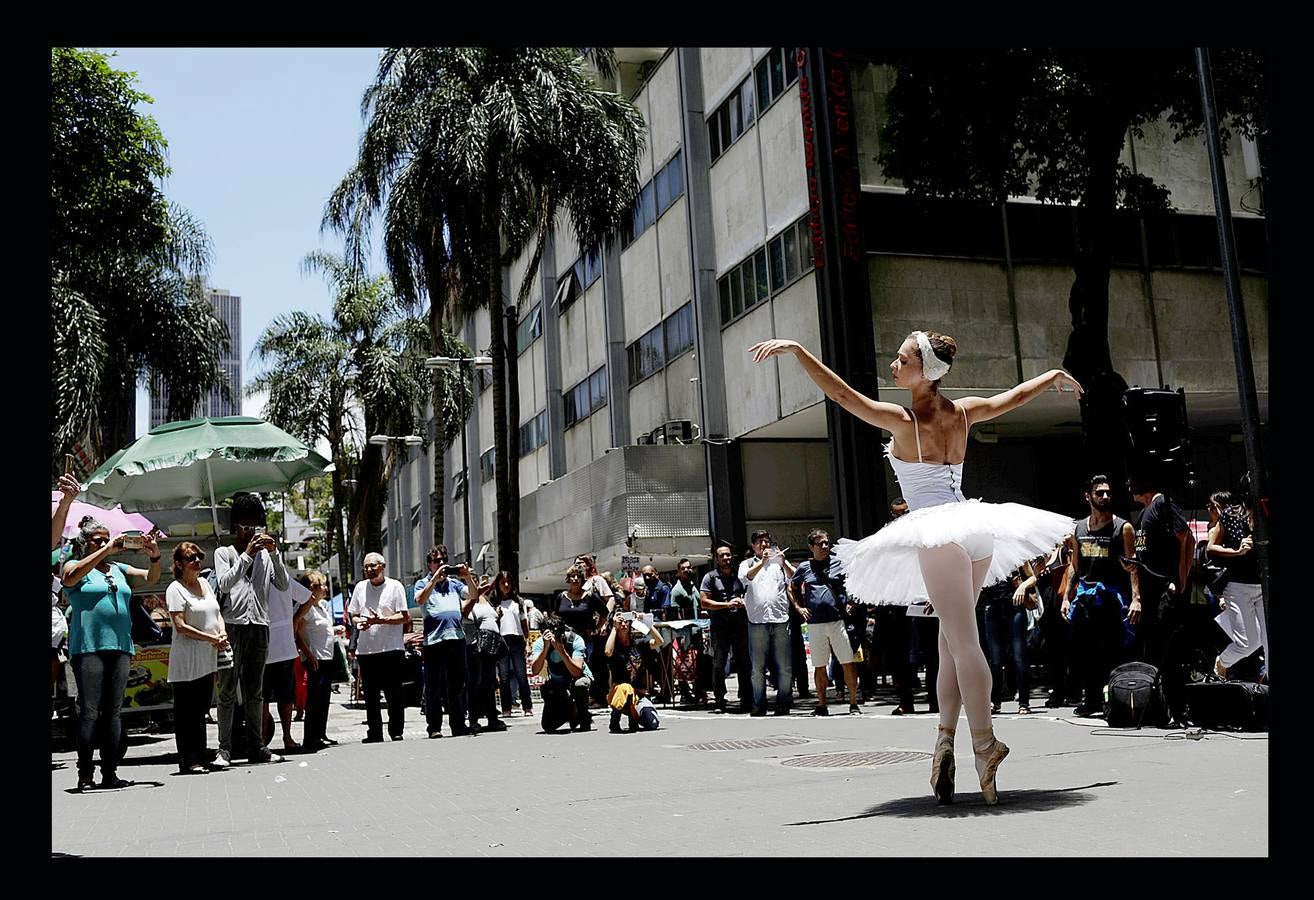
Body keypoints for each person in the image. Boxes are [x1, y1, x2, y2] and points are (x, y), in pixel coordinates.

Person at [751, 330, 1079, 805]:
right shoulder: (963, 410)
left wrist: (799, 352)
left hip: (937, 532)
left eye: (902, 360)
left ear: (925, 372)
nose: (894, 365)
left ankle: (984, 743)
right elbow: (1011, 398)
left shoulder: (903, 419)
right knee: (951, 643)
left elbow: (842, 396)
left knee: (963, 643)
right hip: (975, 528)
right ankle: (945, 741)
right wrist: (1050, 376)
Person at [61, 516, 162, 790]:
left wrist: (154, 556)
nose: (105, 543)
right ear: (85, 543)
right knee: (89, 711)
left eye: (107, 539)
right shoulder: (75, 566)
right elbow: (69, 579)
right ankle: (85, 773)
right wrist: (106, 550)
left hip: (120, 647)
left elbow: (151, 578)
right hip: (89, 648)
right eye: (98, 540)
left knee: (114, 712)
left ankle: (110, 772)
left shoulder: (118, 569)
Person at [212, 492, 289, 767]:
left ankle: (257, 746)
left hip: (259, 624)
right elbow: (224, 583)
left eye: (254, 527)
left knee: (256, 691)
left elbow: (283, 584)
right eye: (245, 527)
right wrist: (246, 556)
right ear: (236, 527)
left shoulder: (267, 556)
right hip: (232, 626)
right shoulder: (224, 553)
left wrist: (275, 553)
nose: (250, 533)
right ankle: (224, 749)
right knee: (227, 690)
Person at [1063, 476, 1139, 717]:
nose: (1105, 497)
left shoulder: (1123, 527)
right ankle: (1092, 701)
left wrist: (1136, 599)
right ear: (1088, 497)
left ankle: (1116, 701)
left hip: (1112, 599)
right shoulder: (1078, 528)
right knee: (1086, 653)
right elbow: (1075, 566)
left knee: (1112, 652)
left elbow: (1133, 565)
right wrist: (1066, 597)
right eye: (1099, 493)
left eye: (1108, 493)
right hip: (1086, 600)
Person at [1126, 470, 1196, 724]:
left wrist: (1180, 579)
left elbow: (1186, 538)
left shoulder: (1162, 504)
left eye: (1132, 481)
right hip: (1150, 592)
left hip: (1166, 591)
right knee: (1155, 651)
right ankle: (1161, 709)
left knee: (1170, 653)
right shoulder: (1145, 513)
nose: (1128, 485)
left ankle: (1178, 710)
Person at [165, 542, 227, 774]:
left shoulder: (204, 583)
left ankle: (200, 755)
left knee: (201, 710)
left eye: (199, 557)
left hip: (207, 657)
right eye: (191, 558)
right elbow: (180, 625)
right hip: (187, 659)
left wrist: (221, 632)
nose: (197, 561)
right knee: (186, 712)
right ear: (179, 564)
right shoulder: (175, 589)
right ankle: (188, 759)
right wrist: (210, 638)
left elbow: (217, 613)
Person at [790, 528, 860, 716]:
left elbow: (853, 583)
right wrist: (799, 607)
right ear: (811, 547)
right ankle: (821, 705)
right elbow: (791, 587)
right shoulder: (804, 567)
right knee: (819, 665)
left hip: (838, 621)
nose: (824, 546)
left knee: (847, 662)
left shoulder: (839, 564)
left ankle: (853, 703)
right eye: (820, 544)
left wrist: (851, 602)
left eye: (826, 543)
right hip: (815, 624)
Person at [414, 546, 479, 738]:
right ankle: (434, 727)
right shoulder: (422, 583)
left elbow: (474, 595)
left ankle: (458, 724)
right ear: (430, 564)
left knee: (457, 684)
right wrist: (434, 579)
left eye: (444, 560)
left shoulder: (454, 584)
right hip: (434, 640)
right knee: (434, 685)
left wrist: (467, 577)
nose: (441, 564)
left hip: (456, 639)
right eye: (437, 561)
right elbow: (420, 599)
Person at [348, 552, 410, 743]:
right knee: (371, 695)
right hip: (367, 650)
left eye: (373, 566)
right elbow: (353, 615)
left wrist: (382, 620)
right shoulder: (360, 587)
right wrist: (360, 622)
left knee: (394, 693)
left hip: (391, 649)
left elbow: (404, 616)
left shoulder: (395, 586)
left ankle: (396, 730)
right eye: (366, 566)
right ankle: (375, 731)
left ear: (382, 566)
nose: (369, 570)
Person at [1207, 492, 1266, 682]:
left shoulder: (1265, 513)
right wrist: (1237, 551)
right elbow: (1211, 548)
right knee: (1246, 644)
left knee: (1267, 642)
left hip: (1264, 585)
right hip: (1238, 585)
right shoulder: (1231, 514)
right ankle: (1222, 662)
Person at [741, 530, 794, 717]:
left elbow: (795, 577)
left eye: (766, 541)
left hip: (780, 619)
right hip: (757, 620)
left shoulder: (779, 563)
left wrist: (783, 561)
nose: (763, 545)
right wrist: (762, 562)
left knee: (784, 666)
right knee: (757, 668)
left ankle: (784, 703)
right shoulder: (747, 563)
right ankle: (758, 704)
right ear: (753, 546)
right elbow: (746, 578)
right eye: (759, 542)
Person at [699, 544, 753, 714]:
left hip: (740, 625)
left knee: (744, 663)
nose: (725, 558)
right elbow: (704, 602)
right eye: (722, 556)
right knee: (719, 664)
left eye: (728, 555)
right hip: (720, 627)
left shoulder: (740, 575)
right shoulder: (710, 578)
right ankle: (720, 700)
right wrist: (727, 604)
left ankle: (746, 698)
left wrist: (743, 601)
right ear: (716, 559)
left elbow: (751, 594)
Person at [262, 574, 310, 752]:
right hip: (270, 647)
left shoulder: (282, 578)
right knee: (269, 698)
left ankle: (284, 737)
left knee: (279, 697)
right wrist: (294, 619)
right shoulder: (280, 578)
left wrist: (295, 619)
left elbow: (308, 598)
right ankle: (275, 738)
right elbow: (308, 598)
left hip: (279, 648)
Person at [294, 572, 337, 750]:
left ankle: (320, 733)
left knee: (324, 698)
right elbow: (296, 629)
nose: (324, 588)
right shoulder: (306, 608)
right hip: (315, 657)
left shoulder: (322, 607)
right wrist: (308, 654)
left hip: (327, 656)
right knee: (315, 698)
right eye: (320, 585)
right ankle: (311, 737)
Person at [530, 614, 594, 732]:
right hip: (557, 684)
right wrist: (545, 648)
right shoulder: (540, 643)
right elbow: (535, 670)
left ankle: (583, 716)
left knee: (580, 684)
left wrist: (561, 650)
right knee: (548, 726)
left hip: (576, 679)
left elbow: (577, 672)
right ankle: (571, 712)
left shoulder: (575, 639)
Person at [557, 565, 610, 703]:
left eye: (578, 576)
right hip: (565, 640)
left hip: (585, 639)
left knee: (583, 669)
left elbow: (605, 613)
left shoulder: (590, 596)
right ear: (568, 579)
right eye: (572, 576)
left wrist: (597, 628)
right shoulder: (561, 597)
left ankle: (585, 699)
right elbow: (555, 616)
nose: (575, 579)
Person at [467, 582, 508, 733]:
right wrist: (474, 596)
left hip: (491, 645)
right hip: (476, 645)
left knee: (490, 683)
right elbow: (464, 615)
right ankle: (473, 719)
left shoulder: (486, 599)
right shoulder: (466, 598)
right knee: (475, 683)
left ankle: (492, 718)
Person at [492, 571, 533, 718]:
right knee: (504, 676)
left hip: (517, 639)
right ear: (498, 584)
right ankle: (506, 708)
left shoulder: (518, 601)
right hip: (501, 640)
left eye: (508, 582)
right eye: (503, 582)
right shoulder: (494, 602)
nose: (506, 585)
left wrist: (527, 643)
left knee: (521, 674)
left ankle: (527, 707)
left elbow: (524, 623)